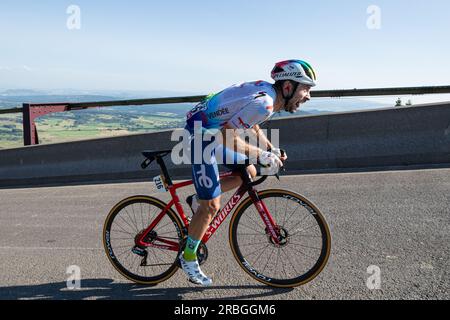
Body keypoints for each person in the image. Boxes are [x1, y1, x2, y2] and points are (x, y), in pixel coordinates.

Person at [179, 59, 317, 285]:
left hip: (212, 134)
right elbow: (227, 136)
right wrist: (261, 154)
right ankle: (188, 256)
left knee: (248, 171)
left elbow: (251, 124)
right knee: (211, 207)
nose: (308, 96)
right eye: (306, 88)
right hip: (199, 136)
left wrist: (270, 148)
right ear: (288, 87)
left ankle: (197, 199)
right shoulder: (266, 103)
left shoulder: (269, 96)